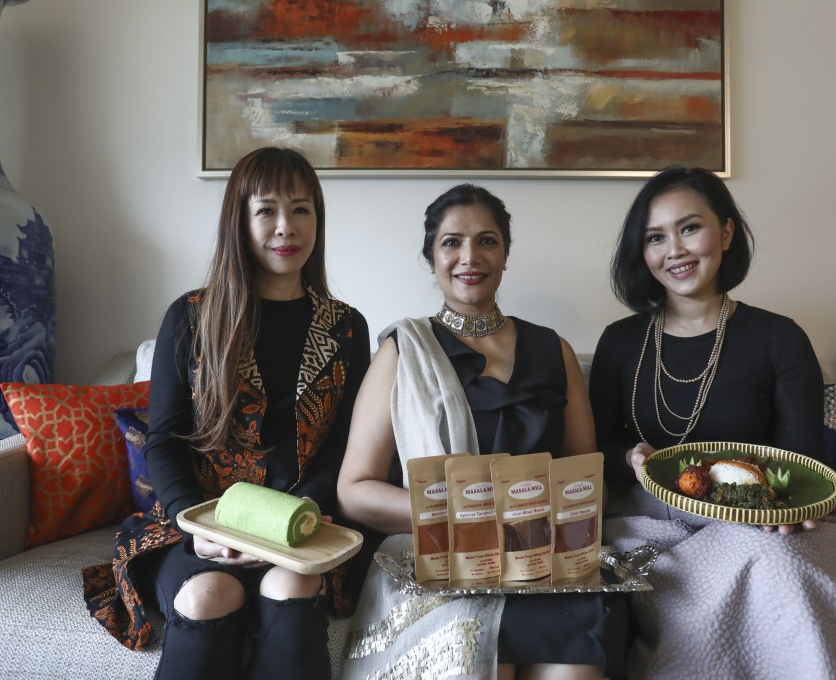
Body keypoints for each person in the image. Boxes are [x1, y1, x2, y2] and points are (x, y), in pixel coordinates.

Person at [590, 166, 836, 679]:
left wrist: (783, 509)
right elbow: (596, 448)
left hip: (765, 515)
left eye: (690, 227)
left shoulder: (779, 337)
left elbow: (803, 460)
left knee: (779, 563)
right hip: (653, 522)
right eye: (655, 237)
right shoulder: (621, 342)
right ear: (641, 252)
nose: (675, 249)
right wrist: (631, 459)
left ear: (727, 232)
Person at [81, 147, 370, 680]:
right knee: (211, 592)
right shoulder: (194, 316)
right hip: (199, 519)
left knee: (293, 584)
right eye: (266, 210)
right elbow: (163, 439)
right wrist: (199, 526)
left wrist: (302, 514)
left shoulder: (346, 326)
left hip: (298, 525)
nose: (287, 227)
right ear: (239, 219)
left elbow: (348, 444)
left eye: (302, 209)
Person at [336, 184, 627, 680]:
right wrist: (468, 519)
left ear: (506, 253)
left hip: (544, 561)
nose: (469, 256)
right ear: (431, 256)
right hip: (438, 561)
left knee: (575, 668)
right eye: (451, 242)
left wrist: (537, 526)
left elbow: (587, 479)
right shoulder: (403, 352)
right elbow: (353, 492)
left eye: (487, 240)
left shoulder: (553, 350)